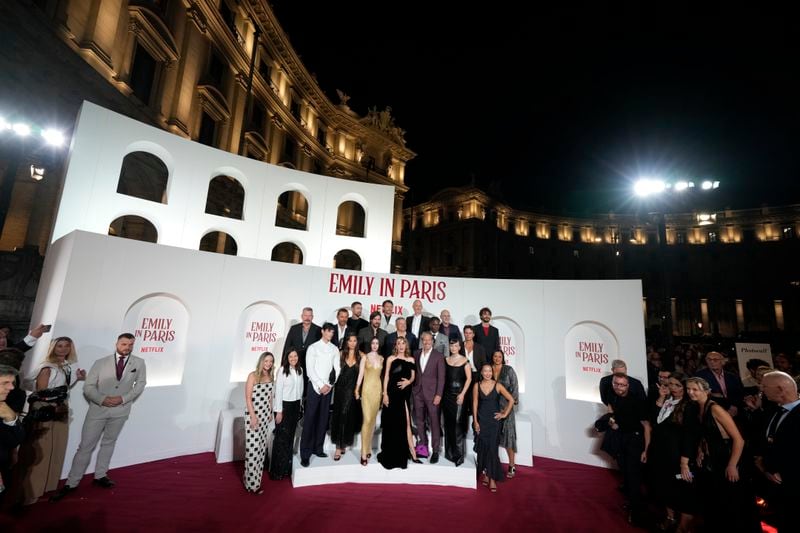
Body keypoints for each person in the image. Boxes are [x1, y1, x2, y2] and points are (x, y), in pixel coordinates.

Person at [51, 333, 147, 501]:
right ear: (117, 343)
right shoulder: (100, 363)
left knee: (109, 443)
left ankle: (100, 475)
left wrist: (122, 399)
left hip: (121, 410)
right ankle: (72, 482)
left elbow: (140, 385)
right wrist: (103, 399)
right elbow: (88, 387)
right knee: (85, 446)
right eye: (124, 344)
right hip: (97, 410)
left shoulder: (139, 363)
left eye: (131, 344)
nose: (127, 347)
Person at [685, 377, 760, 532]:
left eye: (695, 389)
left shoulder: (715, 409)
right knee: (717, 501)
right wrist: (701, 449)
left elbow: (739, 439)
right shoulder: (698, 407)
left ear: (706, 391)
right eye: (688, 389)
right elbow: (706, 433)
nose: (690, 392)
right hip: (714, 460)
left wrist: (732, 465)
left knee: (733, 503)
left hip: (728, 458)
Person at [20, 337, 86, 505]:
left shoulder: (65, 366)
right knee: (41, 451)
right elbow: (43, 393)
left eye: (67, 346)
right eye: (59, 346)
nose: (63, 349)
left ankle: (47, 486)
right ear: (53, 348)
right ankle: (31, 492)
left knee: (56, 448)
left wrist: (76, 378)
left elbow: (60, 388)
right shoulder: (47, 367)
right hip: (47, 411)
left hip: (60, 409)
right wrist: (54, 407)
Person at [648, 372, 699, 532]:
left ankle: (683, 526)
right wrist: (661, 398)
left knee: (683, 489)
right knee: (663, 486)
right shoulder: (667, 400)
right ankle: (670, 517)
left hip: (678, 456)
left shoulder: (690, 405)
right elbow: (654, 422)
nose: (673, 388)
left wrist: (685, 461)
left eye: (678, 385)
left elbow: (690, 435)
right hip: (660, 453)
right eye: (670, 384)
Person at [754, 371, 800, 533]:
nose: (762, 390)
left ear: (780, 389)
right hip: (774, 485)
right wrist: (764, 467)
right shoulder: (773, 410)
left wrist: (784, 475)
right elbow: (766, 440)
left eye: (764, 387)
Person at [607, 374, 651, 525]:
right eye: (616, 384)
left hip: (635, 441)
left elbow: (646, 426)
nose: (619, 387)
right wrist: (614, 423)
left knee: (634, 477)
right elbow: (618, 417)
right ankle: (632, 502)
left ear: (628, 386)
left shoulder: (637, 401)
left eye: (622, 385)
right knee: (625, 473)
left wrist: (646, 449)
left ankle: (637, 513)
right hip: (621, 439)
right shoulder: (613, 397)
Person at [299, 323, 340, 467]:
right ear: (323, 331)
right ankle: (305, 453)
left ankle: (318, 448)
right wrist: (320, 385)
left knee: (323, 419)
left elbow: (337, 369)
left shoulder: (335, 349)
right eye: (328, 331)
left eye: (332, 332)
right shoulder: (313, 347)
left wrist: (329, 385)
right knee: (309, 420)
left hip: (328, 389)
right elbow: (310, 369)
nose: (330, 334)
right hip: (314, 388)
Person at [377, 337, 420, 469]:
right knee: (391, 424)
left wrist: (408, 382)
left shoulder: (411, 359)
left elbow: (413, 376)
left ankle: (412, 453)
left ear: (406, 345)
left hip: (404, 395)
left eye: (403, 343)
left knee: (406, 423)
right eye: (399, 343)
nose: (401, 346)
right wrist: (385, 394)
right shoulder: (390, 358)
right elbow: (386, 377)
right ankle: (394, 453)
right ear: (396, 345)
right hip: (392, 394)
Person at [472, 363, 514, 493]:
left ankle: (492, 478)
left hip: (494, 423)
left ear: (492, 373)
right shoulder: (476, 386)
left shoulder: (498, 385)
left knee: (492, 450)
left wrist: (504, 414)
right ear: (482, 373)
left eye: (490, 371)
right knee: (483, 449)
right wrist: (475, 421)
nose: (487, 373)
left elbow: (511, 399)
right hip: (481, 421)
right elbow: (475, 403)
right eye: (485, 371)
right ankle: (486, 473)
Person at [269, 349, 303, 480]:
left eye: (295, 356)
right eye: (291, 356)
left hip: (295, 406)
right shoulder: (282, 370)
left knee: (290, 438)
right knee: (281, 439)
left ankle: (286, 469)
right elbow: (278, 392)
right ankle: (277, 471)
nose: (293, 358)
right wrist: (278, 411)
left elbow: (301, 389)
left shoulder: (300, 370)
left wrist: (300, 406)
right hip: (284, 406)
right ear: (287, 358)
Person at [243, 352, 274, 494]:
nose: (268, 363)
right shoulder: (252, 376)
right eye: (266, 360)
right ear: (261, 361)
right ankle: (252, 485)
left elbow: (269, 397)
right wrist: (253, 416)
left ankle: (253, 479)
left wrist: (270, 411)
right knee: (253, 449)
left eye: (271, 361)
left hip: (264, 416)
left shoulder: (270, 376)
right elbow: (248, 398)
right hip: (253, 415)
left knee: (261, 449)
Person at [412, 331, 445, 463]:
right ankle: (423, 449)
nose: (426, 342)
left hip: (433, 395)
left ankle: (435, 450)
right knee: (419, 421)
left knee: (434, 422)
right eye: (424, 340)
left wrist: (439, 395)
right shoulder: (416, 353)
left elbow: (442, 378)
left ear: (433, 341)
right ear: (422, 340)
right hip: (418, 393)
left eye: (429, 340)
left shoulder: (439, 356)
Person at [330, 334, 362, 460]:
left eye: (355, 340)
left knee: (347, 416)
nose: (352, 343)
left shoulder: (361, 356)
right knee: (340, 415)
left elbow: (361, 376)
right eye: (350, 340)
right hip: (340, 390)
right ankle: (339, 446)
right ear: (347, 342)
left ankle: (341, 444)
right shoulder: (340, 353)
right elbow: (334, 371)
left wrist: (357, 390)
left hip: (352, 391)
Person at [442, 338, 471, 466]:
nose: (453, 348)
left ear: (460, 347)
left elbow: (469, 379)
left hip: (459, 395)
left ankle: (458, 456)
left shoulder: (465, 361)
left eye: (455, 346)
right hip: (447, 396)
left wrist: (463, 394)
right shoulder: (446, 360)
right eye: (451, 346)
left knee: (458, 424)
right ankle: (449, 453)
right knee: (448, 424)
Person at [355, 337, 383, 465]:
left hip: (378, 391)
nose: (375, 345)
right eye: (373, 343)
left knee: (372, 421)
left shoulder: (382, 358)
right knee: (366, 420)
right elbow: (360, 374)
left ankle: (369, 447)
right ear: (370, 344)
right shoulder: (365, 358)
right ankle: (363, 452)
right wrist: (357, 389)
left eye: (377, 343)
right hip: (366, 391)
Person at [491, 349, 519, 478]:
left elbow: (515, 388)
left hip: (506, 408)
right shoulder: (489, 369)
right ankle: (492, 464)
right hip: (492, 407)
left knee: (509, 437)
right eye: (495, 356)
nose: (497, 358)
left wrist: (508, 407)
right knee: (493, 438)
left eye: (499, 356)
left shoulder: (509, 370)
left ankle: (512, 465)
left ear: (503, 358)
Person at [693, 351, 744, 417]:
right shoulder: (700, 376)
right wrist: (727, 406)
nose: (712, 362)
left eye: (715, 359)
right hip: (712, 414)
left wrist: (735, 407)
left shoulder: (733, 376)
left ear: (722, 362)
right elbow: (699, 395)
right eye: (709, 359)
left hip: (735, 412)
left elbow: (740, 393)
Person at [0, 365, 24, 504]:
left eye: (12, 383)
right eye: (5, 383)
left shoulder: (5, 407)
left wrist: (11, 419)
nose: (11, 388)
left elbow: (16, 440)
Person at [283, 307, 322, 374]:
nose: (307, 318)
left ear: (312, 317)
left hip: (311, 367)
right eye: (305, 315)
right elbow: (287, 346)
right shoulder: (294, 329)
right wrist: (284, 364)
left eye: (309, 316)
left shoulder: (318, 330)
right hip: (294, 364)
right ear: (302, 316)